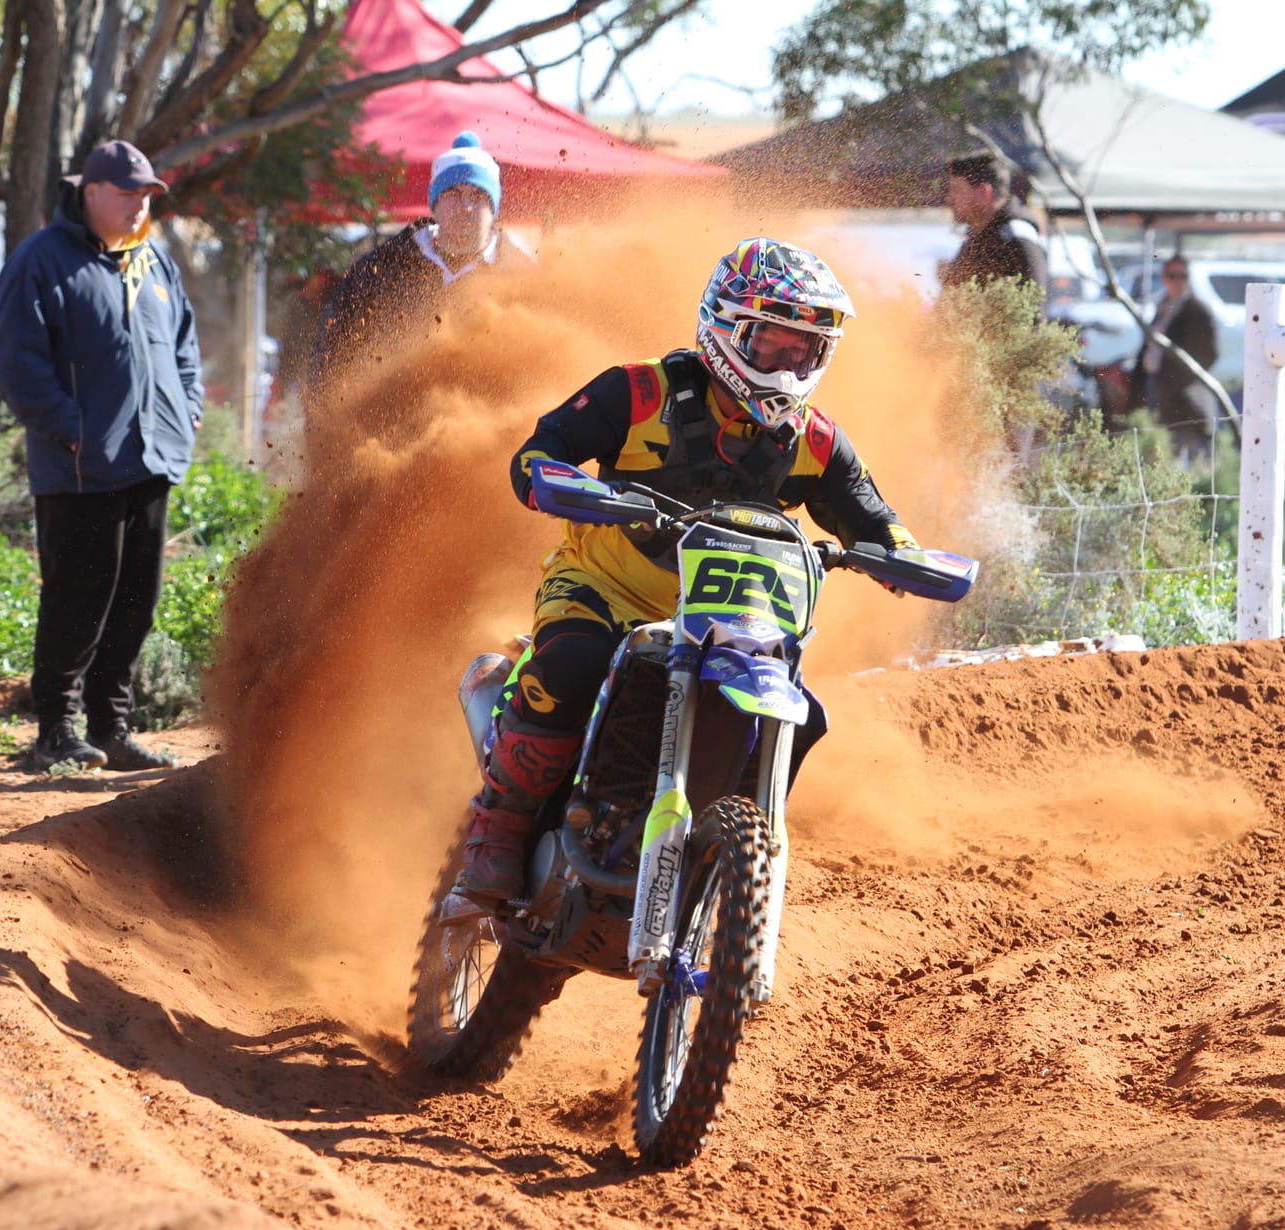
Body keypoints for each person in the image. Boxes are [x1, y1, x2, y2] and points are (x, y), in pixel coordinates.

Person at [456, 238, 921, 904]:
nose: (790, 363)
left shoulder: (813, 438)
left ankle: (719, 857)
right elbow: (545, 445)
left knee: (794, 710)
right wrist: (550, 478)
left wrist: (900, 554)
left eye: (806, 349)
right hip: (604, 591)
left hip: (726, 624)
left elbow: (871, 516)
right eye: (774, 343)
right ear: (727, 325)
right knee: (571, 665)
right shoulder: (640, 391)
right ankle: (495, 830)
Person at [0, 140, 204, 772]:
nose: (140, 204)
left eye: (146, 194)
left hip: (151, 457)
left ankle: (112, 726)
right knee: (77, 599)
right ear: (90, 193)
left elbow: (185, 347)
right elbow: (16, 364)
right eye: (128, 192)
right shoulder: (42, 261)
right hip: (78, 467)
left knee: (137, 600)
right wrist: (72, 429)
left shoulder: (155, 261)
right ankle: (56, 729)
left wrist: (186, 409)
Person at [306, 131, 533, 398]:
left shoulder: (521, 272)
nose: (466, 206)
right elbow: (334, 341)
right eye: (453, 193)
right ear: (435, 204)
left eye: (479, 196)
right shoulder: (384, 266)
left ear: (494, 208)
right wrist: (322, 405)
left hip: (486, 420)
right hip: (387, 418)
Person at [1130, 255, 1220, 460]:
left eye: (1183, 275)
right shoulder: (1162, 306)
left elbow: (1210, 354)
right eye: (1173, 275)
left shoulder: (1198, 311)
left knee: (1186, 450)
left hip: (1186, 395)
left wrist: (1177, 379)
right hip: (1157, 388)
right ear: (1164, 278)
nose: (1178, 281)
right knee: (1160, 448)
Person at [941, 153, 1048, 296]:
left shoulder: (1016, 240)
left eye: (957, 190)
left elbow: (1030, 313)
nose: (949, 198)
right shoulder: (977, 237)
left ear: (985, 192)